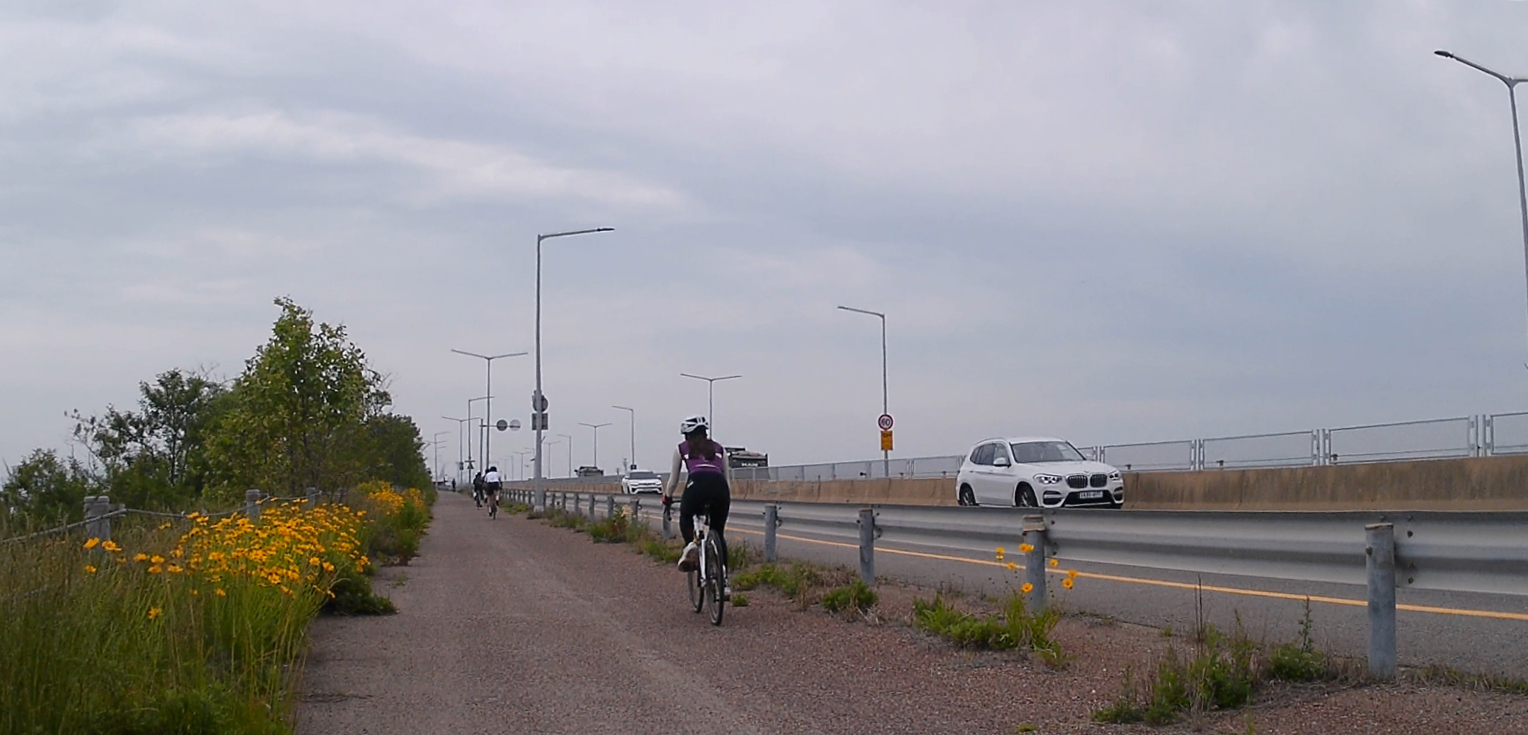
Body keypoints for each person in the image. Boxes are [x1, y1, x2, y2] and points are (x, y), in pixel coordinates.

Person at [661, 416, 731, 577]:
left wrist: (667, 498)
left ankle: (690, 545)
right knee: (718, 533)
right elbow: (727, 480)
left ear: (687, 436)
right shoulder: (720, 449)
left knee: (686, 516)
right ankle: (724, 579)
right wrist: (724, 499)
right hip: (720, 487)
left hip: (696, 485)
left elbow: (673, 481)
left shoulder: (681, 449)